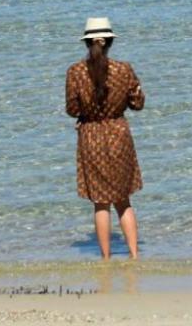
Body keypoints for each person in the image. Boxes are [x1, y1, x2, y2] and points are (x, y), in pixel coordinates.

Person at [66, 17, 145, 260]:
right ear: (109, 42)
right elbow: (138, 104)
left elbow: (72, 109)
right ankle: (134, 255)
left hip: (91, 136)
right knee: (123, 200)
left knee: (101, 203)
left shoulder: (75, 72)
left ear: (87, 43)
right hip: (118, 134)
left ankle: (106, 259)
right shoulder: (124, 69)